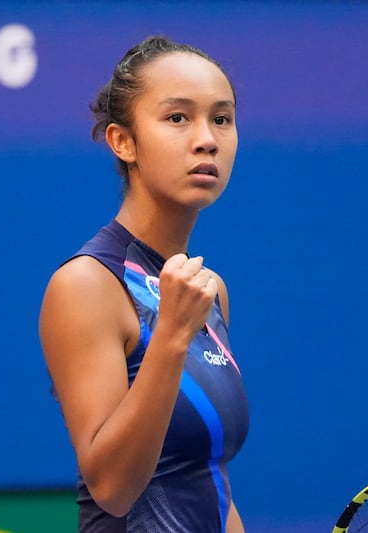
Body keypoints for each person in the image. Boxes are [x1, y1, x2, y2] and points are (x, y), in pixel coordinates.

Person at [39, 35, 250, 532]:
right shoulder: (87, 284)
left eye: (222, 118)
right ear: (123, 141)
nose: (207, 139)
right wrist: (172, 336)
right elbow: (112, 487)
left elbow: (207, 479)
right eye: (178, 118)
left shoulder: (206, 290)